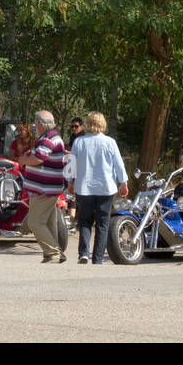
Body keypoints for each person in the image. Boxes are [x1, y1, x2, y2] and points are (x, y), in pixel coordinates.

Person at [68, 112, 128, 264]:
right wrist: (123, 182)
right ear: (103, 124)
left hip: (84, 187)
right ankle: (98, 257)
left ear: (87, 124)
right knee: (102, 223)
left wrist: (70, 181)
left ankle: (83, 252)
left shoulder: (79, 142)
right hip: (105, 187)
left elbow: (71, 165)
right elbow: (119, 164)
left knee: (85, 220)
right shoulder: (110, 142)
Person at [17, 110, 67, 263]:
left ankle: (53, 252)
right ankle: (53, 254)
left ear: (40, 123)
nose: (34, 126)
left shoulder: (48, 138)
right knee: (48, 222)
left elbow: (38, 157)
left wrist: (23, 160)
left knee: (35, 222)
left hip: (45, 189)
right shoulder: (48, 137)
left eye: (35, 123)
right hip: (47, 187)